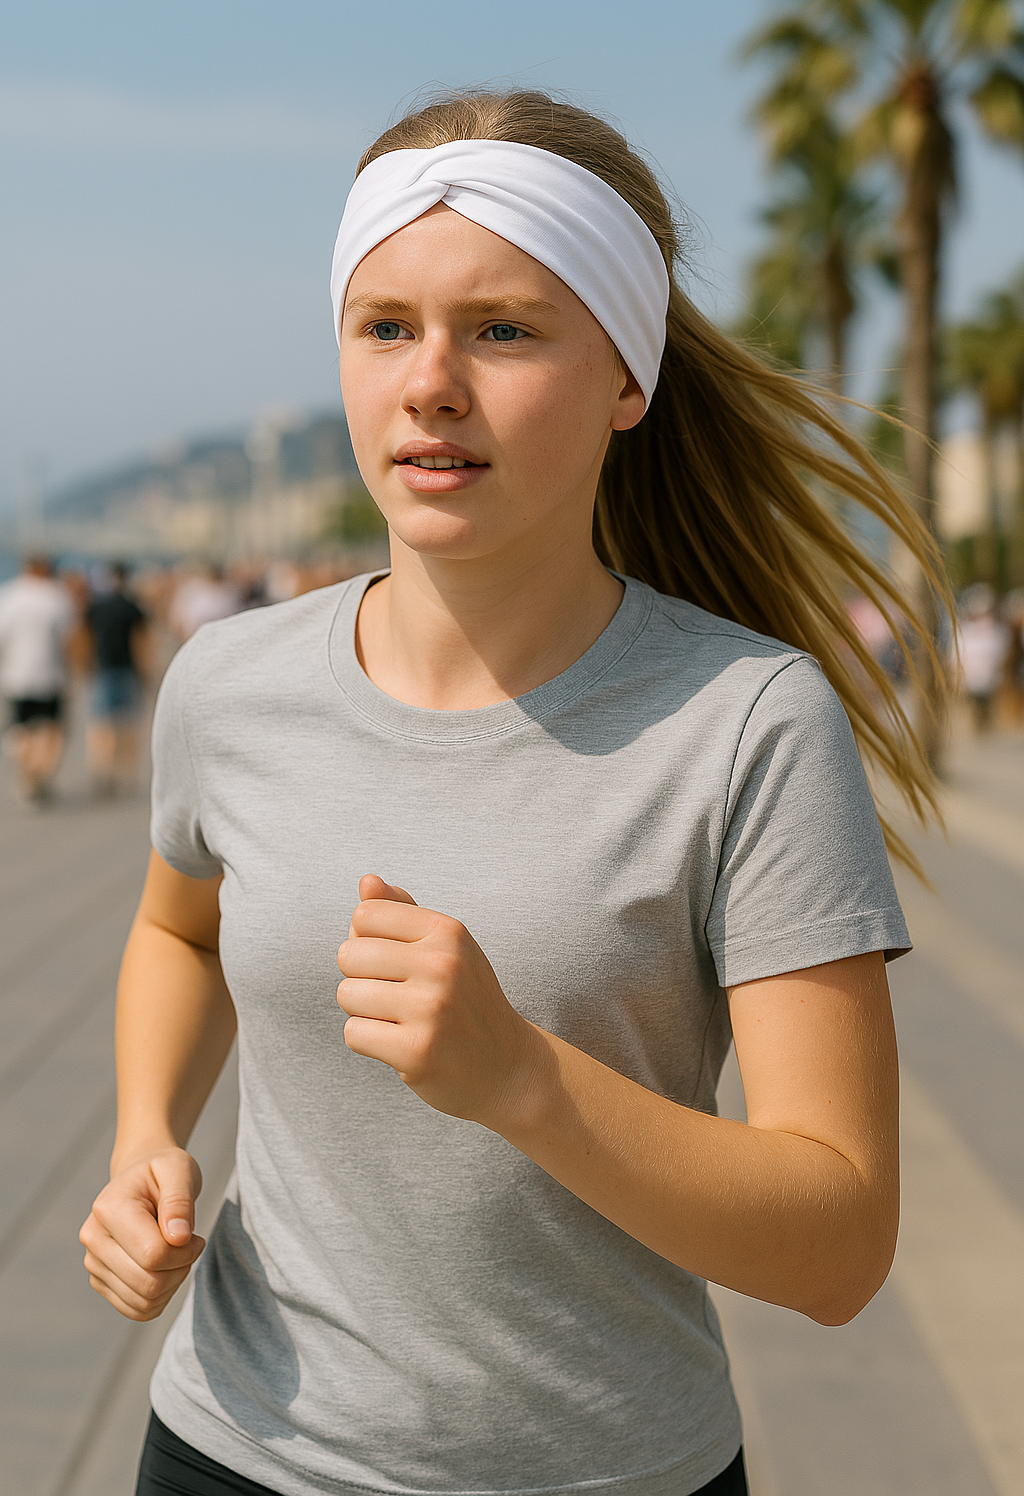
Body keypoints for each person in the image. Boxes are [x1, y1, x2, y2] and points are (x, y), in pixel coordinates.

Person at [81, 91, 948, 1496]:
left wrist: (524, 1078)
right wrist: (140, 1138)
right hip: (231, 1450)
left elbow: (841, 1242)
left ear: (626, 376)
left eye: (503, 329)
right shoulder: (227, 683)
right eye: (385, 328)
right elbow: (179, 929)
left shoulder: (746, 725)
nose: (431, 381)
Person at [0, 554, 76, 804]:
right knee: (50, 728)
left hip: (16, 674)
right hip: (51, 673)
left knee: (21, 728)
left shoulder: (9, 596)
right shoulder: (56, 596)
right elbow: (69, 640)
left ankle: (27, 772)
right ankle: (40, 772)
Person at [84, 561, 150, 796]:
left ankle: (103, 769)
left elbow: (86, 638)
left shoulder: (96, 606)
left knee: (102, 726)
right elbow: (140, 641)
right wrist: (145, 671)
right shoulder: (133, 607)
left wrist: (86, 665)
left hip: (103, 669)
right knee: (129, 726)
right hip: (128, 670)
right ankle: (127, 773)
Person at [957, 582, 1010, 732]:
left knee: (985, 707)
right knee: (976, 707)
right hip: (972, 678)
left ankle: (983, 725)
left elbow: (1003, 654)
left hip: (989, 679)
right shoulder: (966, 631)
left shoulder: (997, 631)